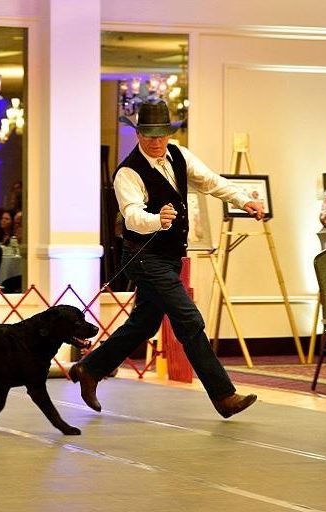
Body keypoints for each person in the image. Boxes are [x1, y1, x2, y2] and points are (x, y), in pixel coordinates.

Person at [69, 100, 265, 419]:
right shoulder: (128, 173)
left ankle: (90, 368)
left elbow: (212, 182)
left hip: (171, 256)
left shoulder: (179, 155)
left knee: (143, 324)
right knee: (189, 320)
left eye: (162, 135)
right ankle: (223, 395)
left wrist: (244, 201)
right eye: (149, 135)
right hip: (144, 257)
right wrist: (156, 220)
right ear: (138, 135)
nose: (157, 142)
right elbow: (132, 216)